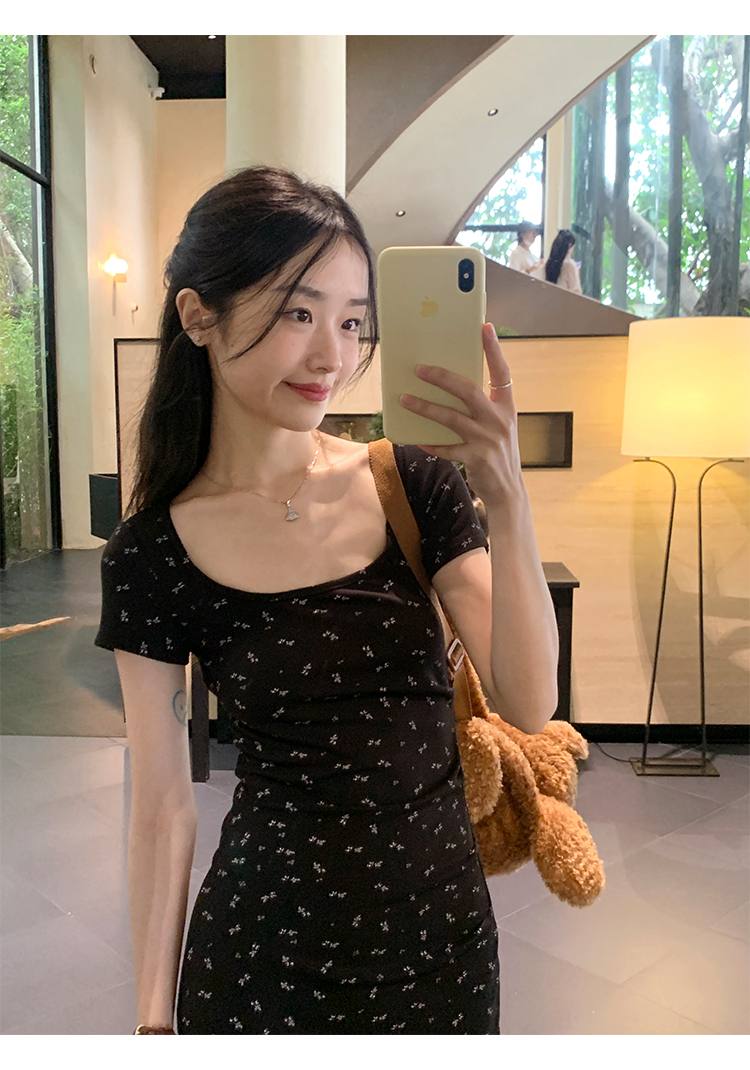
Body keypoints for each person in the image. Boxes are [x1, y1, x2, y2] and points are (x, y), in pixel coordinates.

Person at [95, 166, 559, 1035]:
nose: (332, 359)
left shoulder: (412, 488)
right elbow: (159, 807)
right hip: (260, 967)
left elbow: (530, 702)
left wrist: (508, 495)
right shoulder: (153, 553)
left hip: (441, 955)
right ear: (198, 316)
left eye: (351, 322)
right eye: (298, 313)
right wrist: (152, 1023)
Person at [531, 228, 583, 294]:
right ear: (570, 246)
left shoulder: (543, 266)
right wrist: (576, 272)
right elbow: (576, 292)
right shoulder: (569, 266)